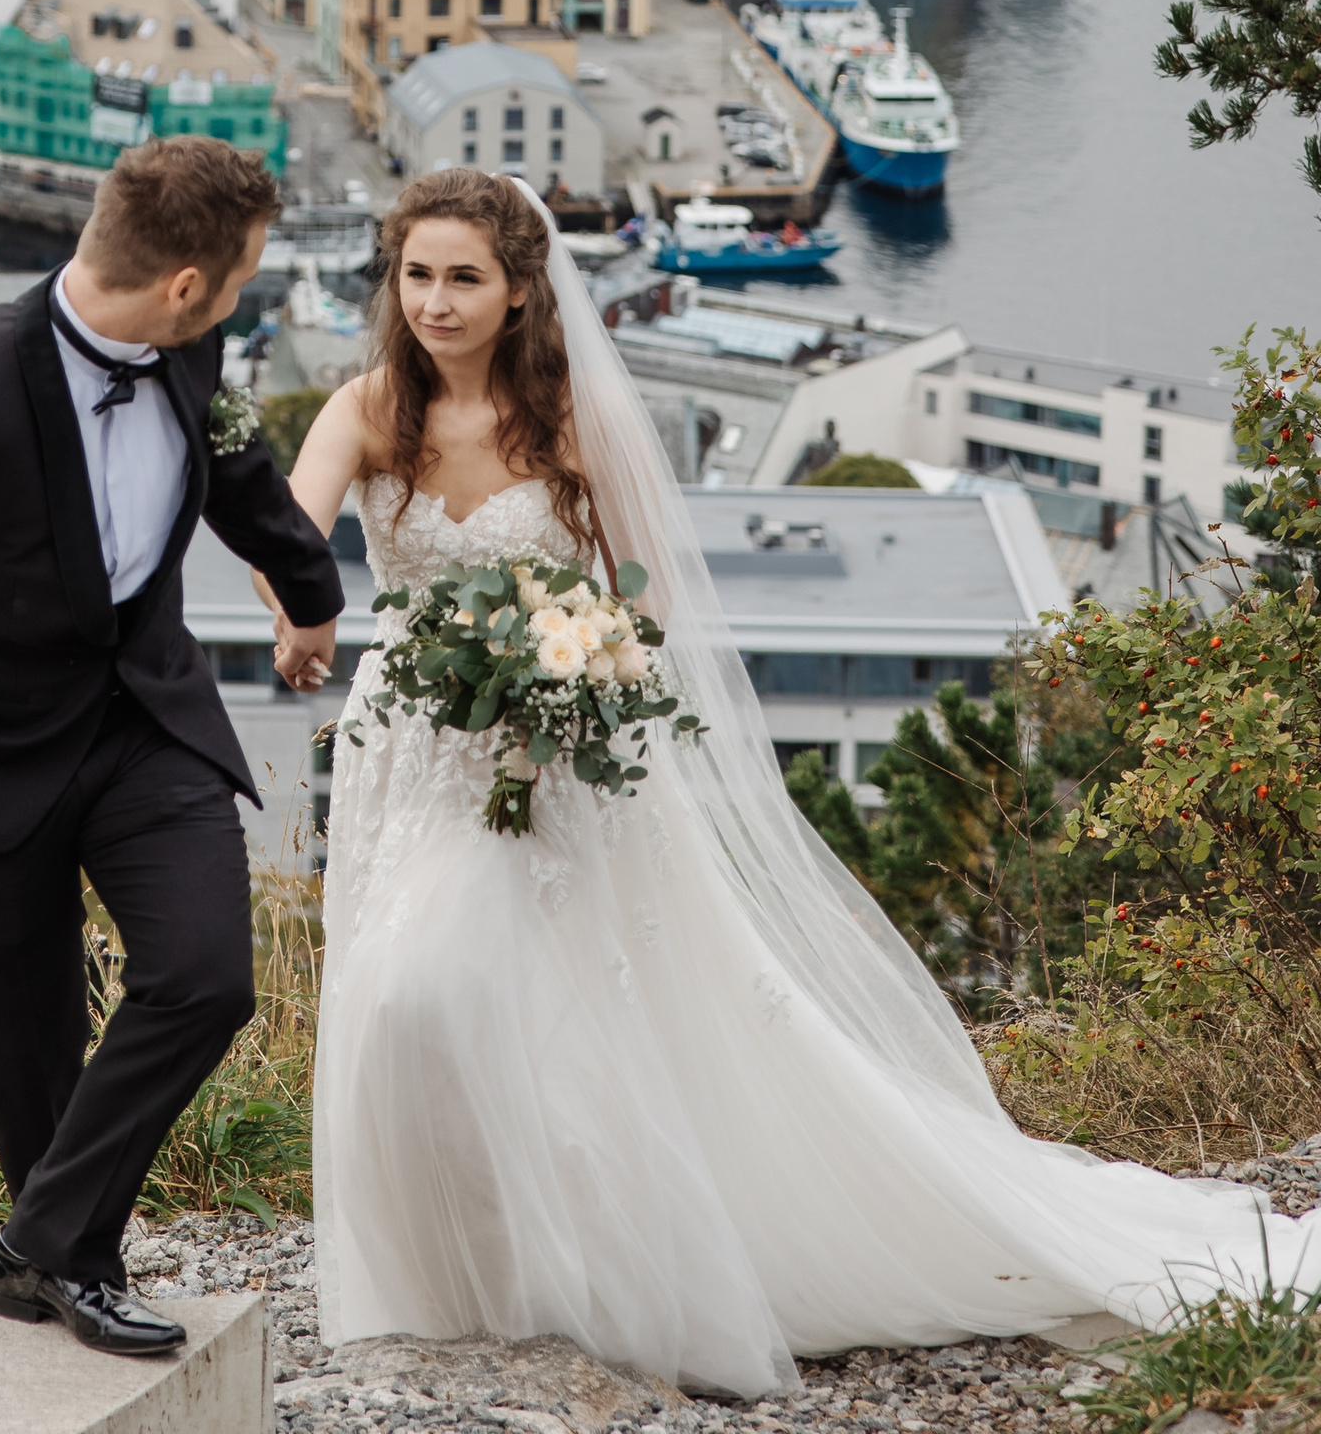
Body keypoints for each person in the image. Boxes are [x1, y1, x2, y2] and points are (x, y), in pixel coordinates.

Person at [280, 166, 1321, 1400]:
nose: (436, 303)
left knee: (465, 992)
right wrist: (304, 622)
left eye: (465, 278)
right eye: (417, 276)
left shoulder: (569, 422)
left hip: (548, 746)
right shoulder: (360, 407)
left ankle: (585, 1271)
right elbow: (286, 540)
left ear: (519, 293)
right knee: (415, 996)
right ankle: (457, 1283)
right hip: (411, 745)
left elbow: (646, 597)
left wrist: (577, 666)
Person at [0, 135, 344, 1359]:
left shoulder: (188, 349)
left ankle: (33, 1243)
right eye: (242, 280)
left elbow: (241, 478)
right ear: (188, 283)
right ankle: (74, 1267)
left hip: (142, 726)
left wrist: (314, 599)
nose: (241, 301)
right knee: (24, 1042)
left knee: (206, 978)